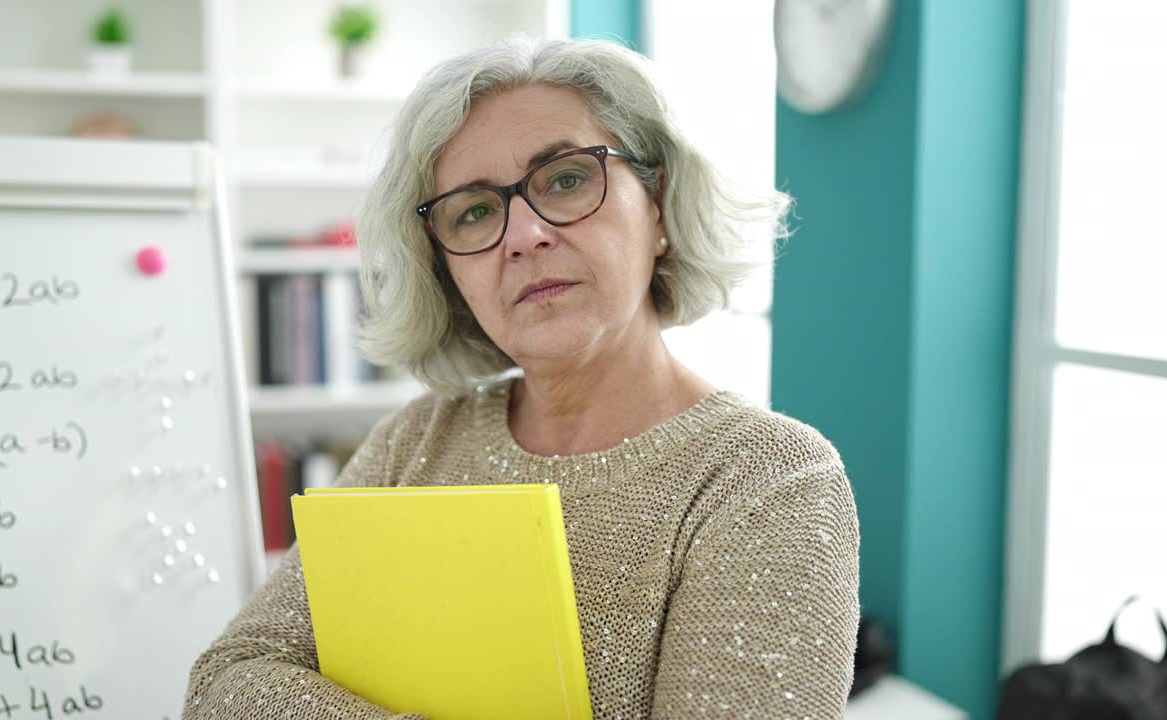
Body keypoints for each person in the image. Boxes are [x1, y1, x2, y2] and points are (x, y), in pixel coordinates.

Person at [184, 36, 859, 720]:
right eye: (474, 211)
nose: (524, 234)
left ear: (657, 204)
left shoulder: (767, 480)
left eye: (566, 178)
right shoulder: (416, 441)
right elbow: (226, 681)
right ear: (447, 271)